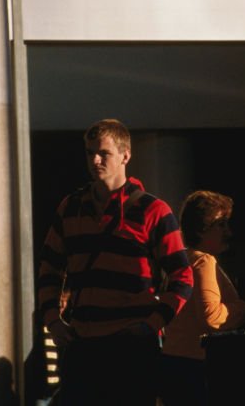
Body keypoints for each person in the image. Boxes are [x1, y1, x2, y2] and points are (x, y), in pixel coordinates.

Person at [37, 118, 194, 405]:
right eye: (89, 153)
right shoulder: (70, 207)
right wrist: (53, 321)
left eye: (103, 153)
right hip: (83, 342)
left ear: (125, 155)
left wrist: (151, 324)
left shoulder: (153, 211)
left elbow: (183, 277)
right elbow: (49, 267)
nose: (95, 160)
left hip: (130, 344)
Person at [161, 190, 245, 405]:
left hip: (174, 360)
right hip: (196, 366)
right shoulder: (203, 262)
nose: (228, 231)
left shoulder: (181, 260)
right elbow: (211, 316)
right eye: (221, 225)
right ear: (201, 229)